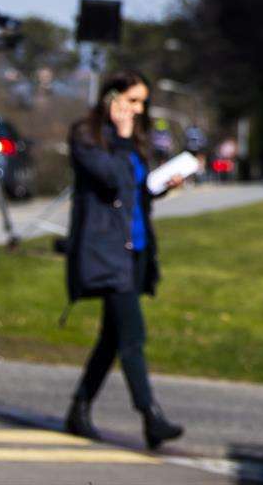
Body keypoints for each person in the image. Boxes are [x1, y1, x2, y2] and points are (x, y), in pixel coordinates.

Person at [62, 70, 185, 450]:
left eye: (142, 102)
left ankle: (79, 408)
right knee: (132, 334)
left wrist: (162, 185)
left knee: (112, 337)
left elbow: (135, 190)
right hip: (106, 249)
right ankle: (151, 416)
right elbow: (110, 178)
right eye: (132, 101)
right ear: (111, 99)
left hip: (135, 248)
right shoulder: (87, 135)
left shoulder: (133, 139)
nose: (138, 109)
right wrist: (121, 135)